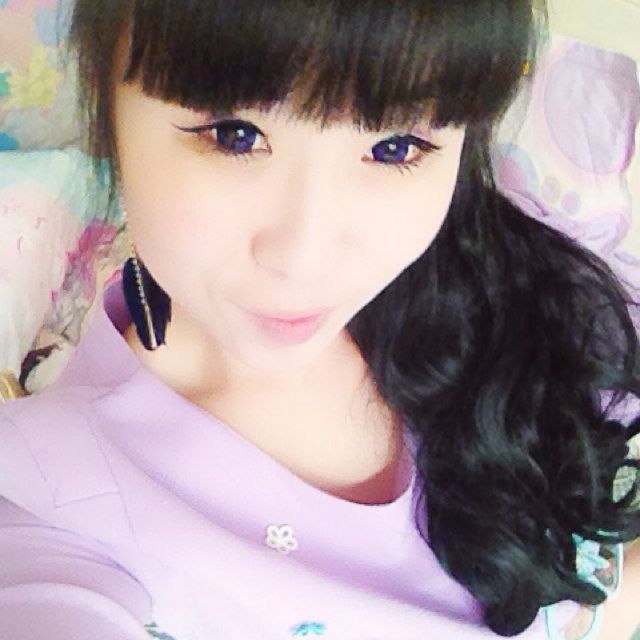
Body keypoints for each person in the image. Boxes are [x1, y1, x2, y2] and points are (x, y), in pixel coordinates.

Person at [1, 1, 639, 638]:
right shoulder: (51, 496)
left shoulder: (525, 291)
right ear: (109, 115)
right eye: (235, 135)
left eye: (395, 147)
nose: (305, 259)